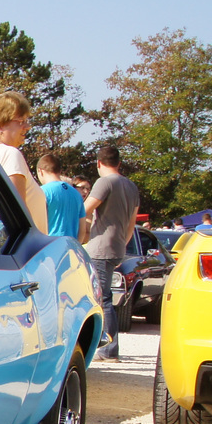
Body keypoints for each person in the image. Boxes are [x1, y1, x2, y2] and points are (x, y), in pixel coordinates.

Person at [84, 144, 139, 361]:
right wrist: (121, 244)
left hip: (100, 247)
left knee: (103, 298)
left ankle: (108, 348)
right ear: (119, 163)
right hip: (118, 247)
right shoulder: (131, 186)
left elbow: (85, 209)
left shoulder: (104, 182)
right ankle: (106, 346)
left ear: (99, 163)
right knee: (105, 297)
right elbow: (131, 223)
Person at [0, 91, 48, 234]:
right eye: (20, 121)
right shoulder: (10, 154)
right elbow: (18, 216)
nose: (27, 126)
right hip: (18, 247)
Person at [37, 154, 84, 240]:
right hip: (70, 245)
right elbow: (82, 232)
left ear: (40, 171)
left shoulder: (41, 192)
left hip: (49, 245)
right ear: (60, 171)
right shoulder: (77, 194)